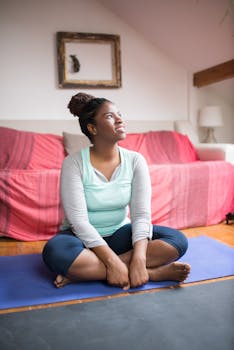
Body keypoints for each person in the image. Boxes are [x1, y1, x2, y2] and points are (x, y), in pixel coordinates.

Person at [42, 93, 190, 289]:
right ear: (92, 128)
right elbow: (78, 222)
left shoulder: (135, 160)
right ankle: (152, 273)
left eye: (119, 114)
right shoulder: (74, 163)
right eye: (110, 116)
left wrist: (138, 257)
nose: (120, 119)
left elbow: (141, 215)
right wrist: (112, 262)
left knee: (177, 240)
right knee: (54, 252)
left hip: (121, 234)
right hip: (79, 238)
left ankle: (83, 274)